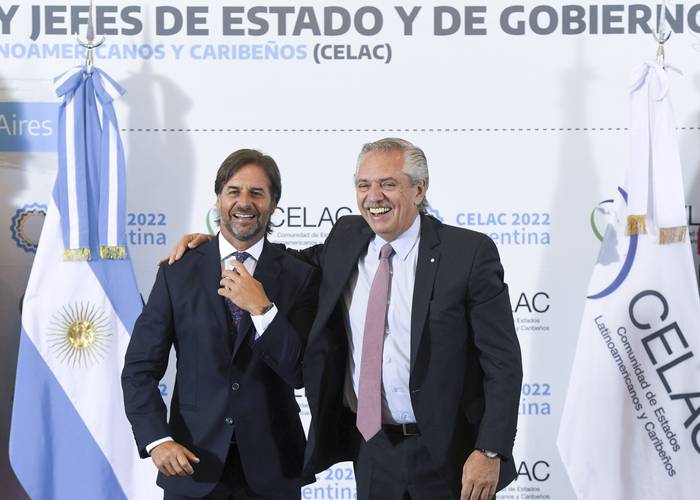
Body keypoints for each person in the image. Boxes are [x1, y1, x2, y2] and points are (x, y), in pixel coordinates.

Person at [169, 138, 522, 500]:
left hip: (451, 454)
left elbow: (503, 363)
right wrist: (222, 249)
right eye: (364, 185)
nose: (374, 196)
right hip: (372, 450)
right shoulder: (346, 238)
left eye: (388, 184)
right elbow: (284, 266)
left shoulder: (468, 253)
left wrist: (489, 450)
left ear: (419, 190)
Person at [122, 149, 320, 500]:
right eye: (234, 191)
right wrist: (157, 440)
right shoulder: (177, 271)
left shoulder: (299, 276)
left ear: (274, 203)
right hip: (192, 466)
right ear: (218, 198)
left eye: (256, 193)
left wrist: (262, 310)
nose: (244, 202)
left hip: (274, 470)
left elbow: (299, 372)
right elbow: (139, 368)